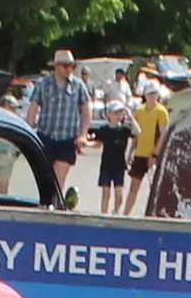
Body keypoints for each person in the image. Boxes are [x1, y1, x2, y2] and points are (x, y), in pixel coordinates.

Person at [22, 47, 91, 206]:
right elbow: (33, 108)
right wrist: (28, 131)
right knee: (45, 177)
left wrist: (83, 134)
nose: (68, 69)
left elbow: (86, 111)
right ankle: (44, 205)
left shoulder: (78, 86)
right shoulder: (43, 84)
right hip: (45, 136)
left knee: (59, 179)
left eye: (71, 66)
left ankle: (56, 207)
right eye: (65, 66)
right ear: (56, 66)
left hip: (67, 139)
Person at [90, 66, 137, 210]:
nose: (118, 116)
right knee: (106, 193)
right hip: (106, 164)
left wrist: (130, 115)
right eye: (115, 113)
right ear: (109, 114)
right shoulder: (104, 129)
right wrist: (84, 143)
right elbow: (97, 144)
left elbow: (138, 132)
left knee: (119, 194)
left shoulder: (124, 130)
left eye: (119, 113)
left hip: (119, 165)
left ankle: (116, 212)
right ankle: (103, 215)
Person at [127, 75, 171, 212]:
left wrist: (155, 154)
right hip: (140, 153)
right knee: (134, 186)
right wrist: (130, 151)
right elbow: (136, 134)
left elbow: (163, 134)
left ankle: (155, 214)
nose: (152, 96)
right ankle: (125, 214)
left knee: (156, 188)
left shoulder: (161, 111)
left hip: (153, 155)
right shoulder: (139, 110)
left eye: (154, 93)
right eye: (149, 93)